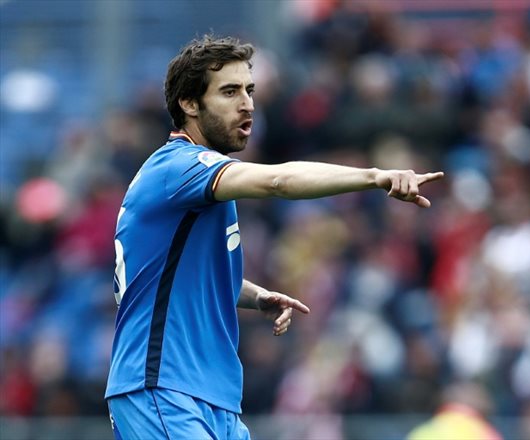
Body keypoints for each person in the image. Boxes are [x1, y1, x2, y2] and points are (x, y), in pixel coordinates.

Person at [105, 34, 444, 440]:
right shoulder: (178, 168)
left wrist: (255, 296)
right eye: (229, 92)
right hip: (163, 386)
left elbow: (175, 277)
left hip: (211, 397)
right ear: (189, 104)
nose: (247, 103)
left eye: (249, 90)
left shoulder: (193, 180)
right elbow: (278, 180)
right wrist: (376, 176)